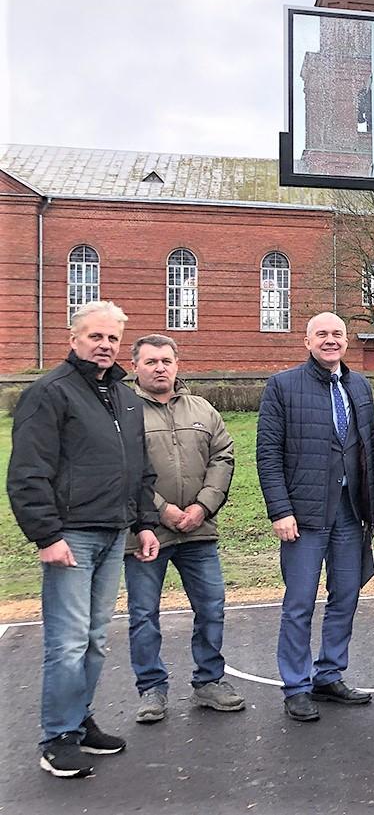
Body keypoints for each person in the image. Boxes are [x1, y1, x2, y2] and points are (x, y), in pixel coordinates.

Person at [7, 301, 160, 778]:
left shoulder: (124, 396)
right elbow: (27, 473)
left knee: (94, 639)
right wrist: (47, 535)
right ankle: (57, 738)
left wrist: (144, 522)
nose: (104, 346)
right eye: (95, 337)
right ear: (73, 339)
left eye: (112, 339)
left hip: (115, 532)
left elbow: (138, 468)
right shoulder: (49, 393)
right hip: (69, 536)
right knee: (68, 642)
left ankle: (79, 720)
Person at [258, 312, 374, 722]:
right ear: (307, 342)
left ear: (347, 341)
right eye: (322, 334)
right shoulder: (283, 386)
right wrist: (280, 510)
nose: (331, 340)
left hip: (350, 514)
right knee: (299, 603)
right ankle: (296, 685)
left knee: (346, 596)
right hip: (304, 516)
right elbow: (268, 454)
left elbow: (371, 451)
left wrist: (372, 507)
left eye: (337, 334)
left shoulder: (359, 385)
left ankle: (329, 673)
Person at [124, 334, 244, 725]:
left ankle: (209, 681)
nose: (160, 367)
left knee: (211, 607)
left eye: (166, 361)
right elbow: (121, 469)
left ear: (177, 365)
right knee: (144, 614)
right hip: (146, 534)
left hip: (199, 530)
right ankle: (152, 689)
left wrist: (201, 506)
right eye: (151, 361)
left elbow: (223, 457)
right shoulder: (122, 411)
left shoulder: (203, 409)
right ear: (135, 366)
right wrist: (163, 512)